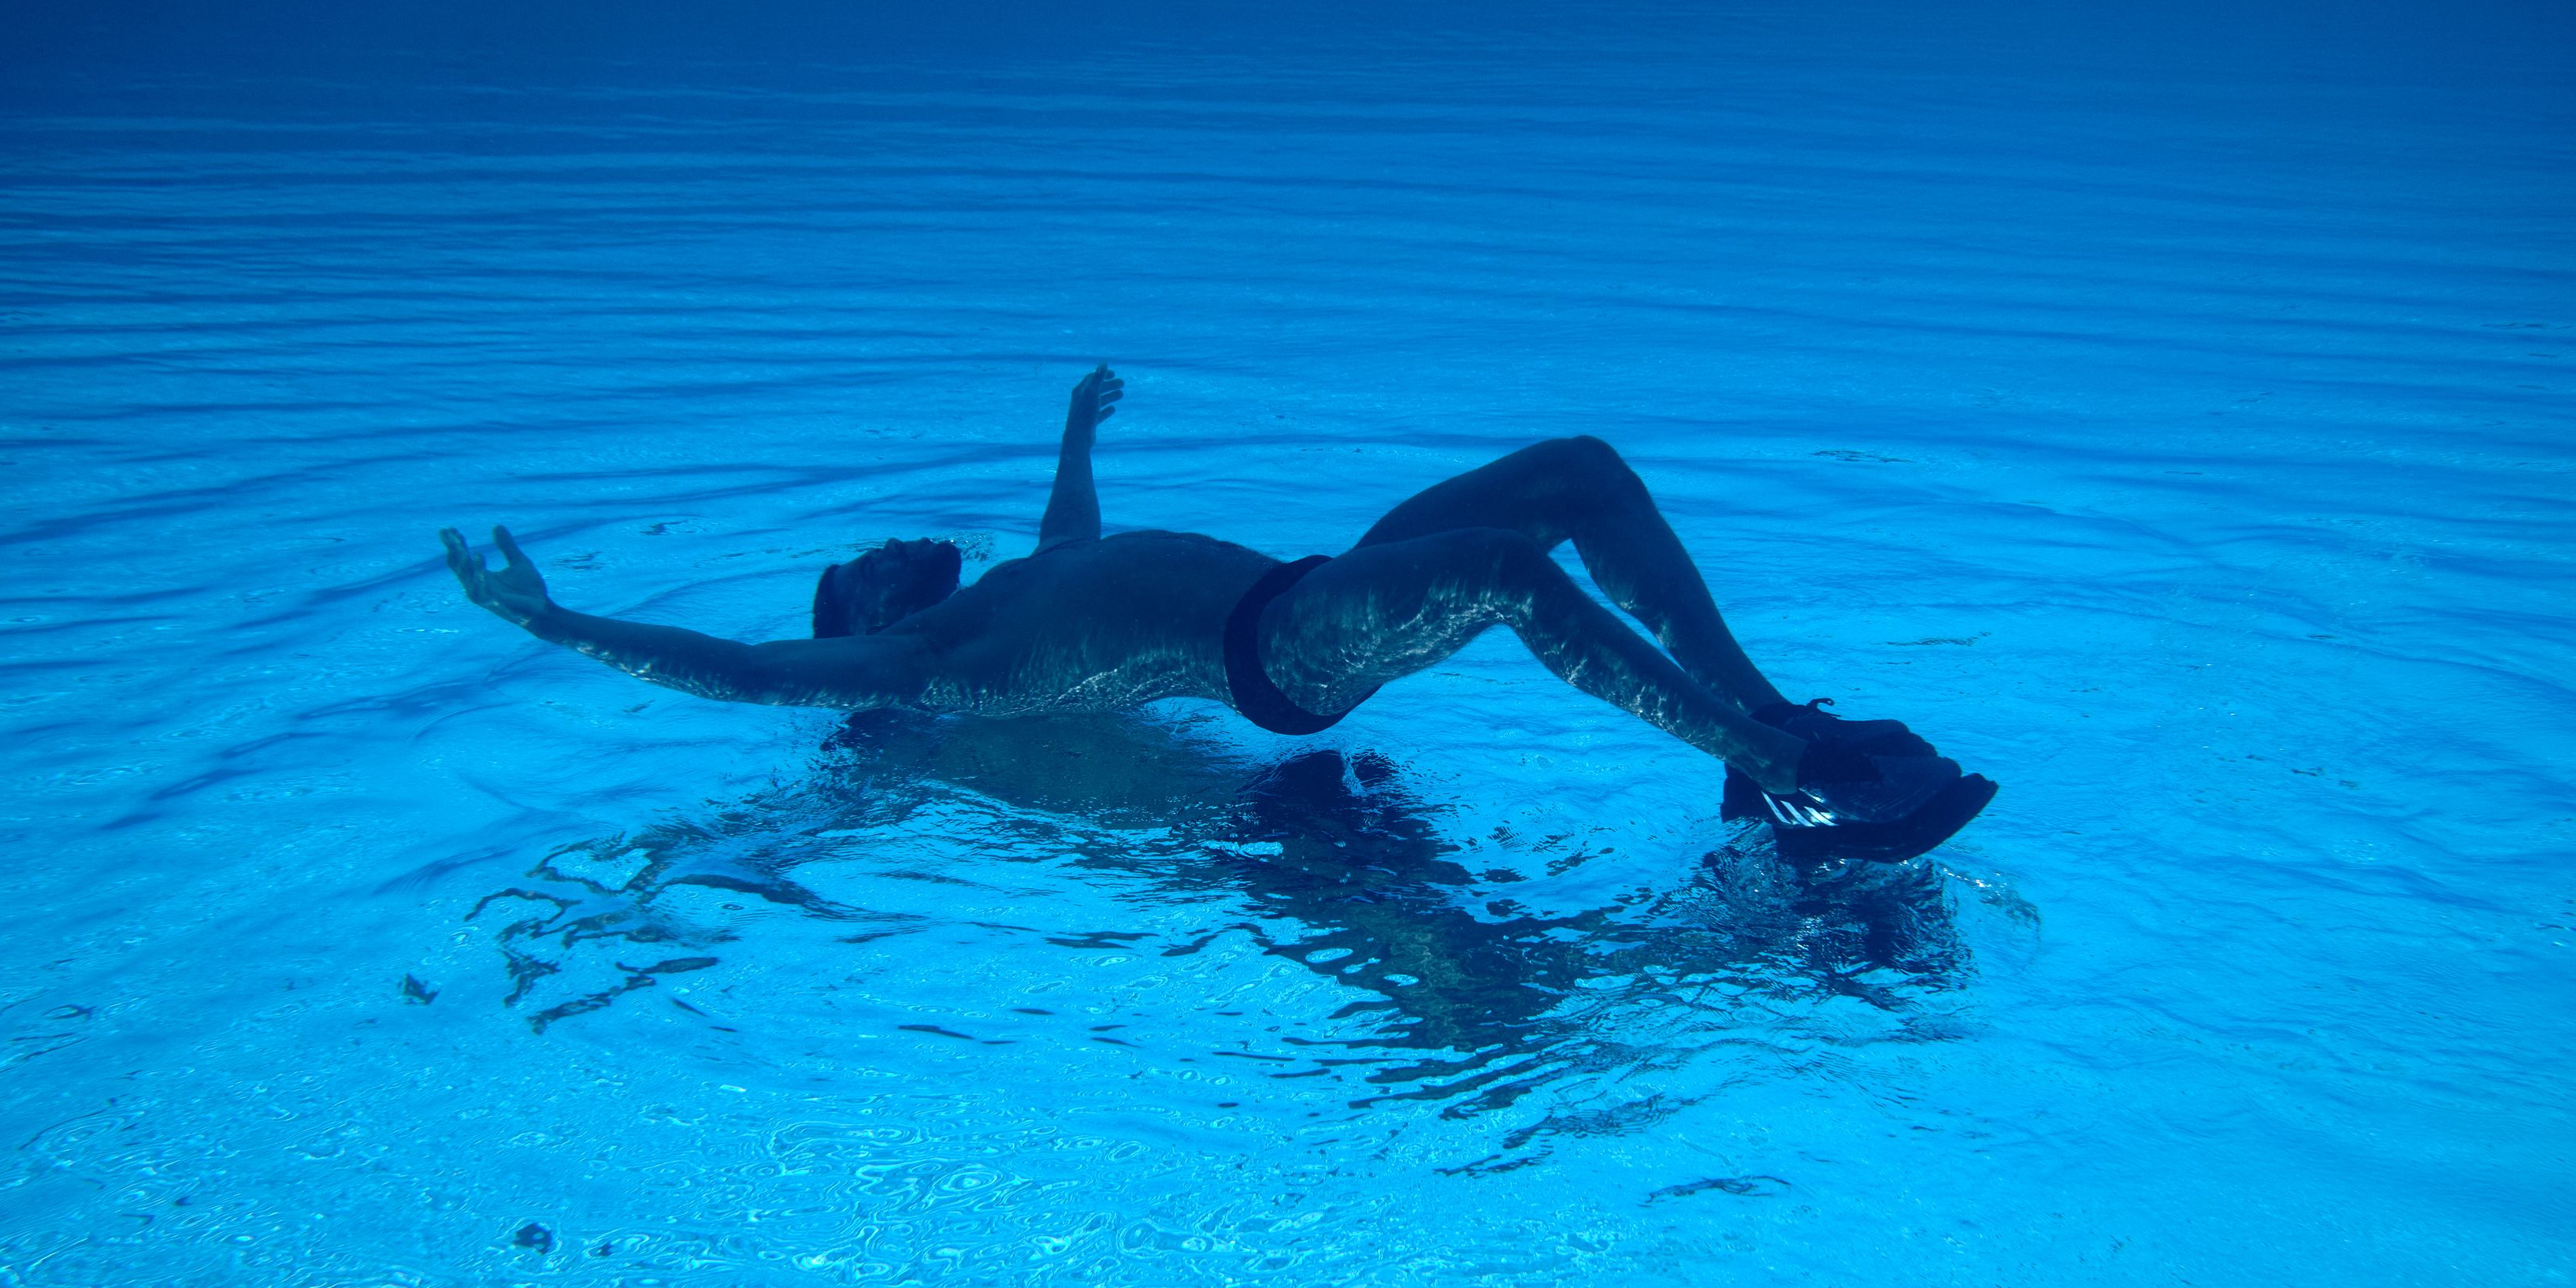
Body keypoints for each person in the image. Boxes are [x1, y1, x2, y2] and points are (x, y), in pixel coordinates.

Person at [441, 366, 1997, 861]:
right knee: (1505, 572)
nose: (899, 537)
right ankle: (1780, 774)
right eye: (870, 554)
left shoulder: (1017, 584)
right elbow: (736, 666)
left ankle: (1770, 722)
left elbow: (1076, 524)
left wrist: (1077, 421)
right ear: (859, 614)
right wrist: (556, 624)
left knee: (1575, 471)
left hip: (1309, 584)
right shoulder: (921, 657)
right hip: (1283, 652)